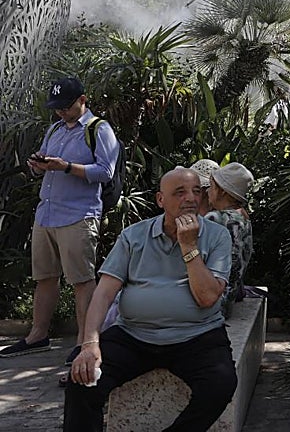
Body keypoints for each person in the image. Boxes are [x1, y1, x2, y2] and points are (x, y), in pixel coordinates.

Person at [63, 167, 236, 432]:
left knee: (220, 384)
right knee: (82, 381)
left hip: (197, 336)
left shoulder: (218, 235)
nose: (190, 198)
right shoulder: (134, 236)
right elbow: (104, 292)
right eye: (180, 192)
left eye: (196, 191)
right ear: (160, 200)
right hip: (134, 335)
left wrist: (189, 246)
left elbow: (207, 298)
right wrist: (90, 344)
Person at [0, 77, 118, 364]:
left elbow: (105, 171)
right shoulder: (54, 128)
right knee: (44, 278)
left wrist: (65, 167)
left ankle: (84, 342)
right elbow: (47, 166)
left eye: (66, 106)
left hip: (77, 215)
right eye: (56, 108)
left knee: (81, 280)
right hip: (47, 213)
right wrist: (39, 166)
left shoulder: (98, 130)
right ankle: (37, 335)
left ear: (82, 100)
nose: (61, 112)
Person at [205, 162, 254, 311]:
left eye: (212, 187)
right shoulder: (243, 217)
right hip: (228, 299)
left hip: (213, 302)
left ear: (223, 192)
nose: (208, 191)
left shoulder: (215, 218)